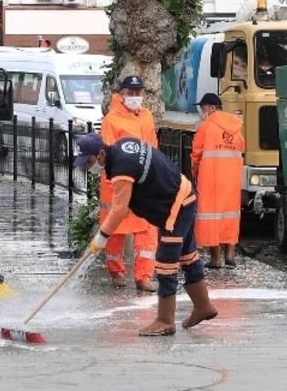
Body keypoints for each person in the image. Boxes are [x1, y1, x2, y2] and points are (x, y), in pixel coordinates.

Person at [77, 132, 217, 337]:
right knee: (187, 256)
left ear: (100, 153)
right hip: (184, 196)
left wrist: (102, 236)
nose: (89, 167)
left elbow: (119, 209)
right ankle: (203, 306)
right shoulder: (124, 145)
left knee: (165, 264)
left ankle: (165, 320)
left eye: (89, 161)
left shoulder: (121, 167)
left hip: (174, 207)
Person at [98, 75, 159, 293]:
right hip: (121, 182)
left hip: (144, 181)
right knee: (116, 230)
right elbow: (109, 153)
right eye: (131, 93)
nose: (135, 97)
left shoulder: (146, 116)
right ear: (122, 94)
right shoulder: (111, 119)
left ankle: (144, 276)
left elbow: (153, 147)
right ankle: (117, 271)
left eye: (138, 93)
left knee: (147, 231)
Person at [191, 93, 245, 269]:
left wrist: (195, 172)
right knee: (230, 215)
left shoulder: (206, 126)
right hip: (232, 179)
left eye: (203, 107)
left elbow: (197, 153)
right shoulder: (236, 126)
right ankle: (230, 255)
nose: (202, 111)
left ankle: (216, 259)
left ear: (211, 108)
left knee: (210, 218)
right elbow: (241, 148)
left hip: (210, 179)